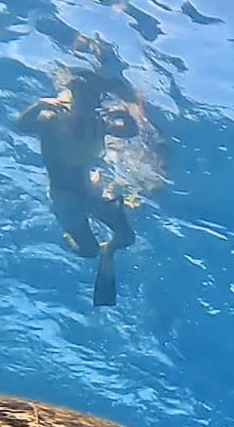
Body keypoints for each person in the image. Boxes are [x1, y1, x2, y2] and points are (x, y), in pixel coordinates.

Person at [14, 52, 142, 307]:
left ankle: (109, 250)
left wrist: (124, 113)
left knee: (126, 237)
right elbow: (21, 126)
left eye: (92, 101)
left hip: (90, 189)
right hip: (64, 198)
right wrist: (40, 105)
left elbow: (130, 131)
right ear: (72, 98)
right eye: (82, 100)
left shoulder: (97, 122)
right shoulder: (52, 120)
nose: (86, 107)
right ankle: (76, 239)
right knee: (88, 250)